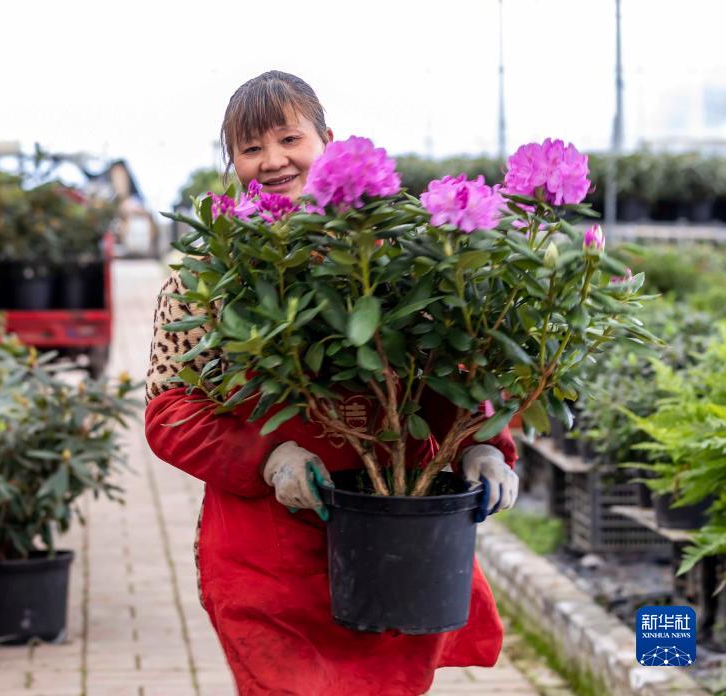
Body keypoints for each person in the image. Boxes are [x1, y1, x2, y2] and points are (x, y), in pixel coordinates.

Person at [145, 70, 520, 696]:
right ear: (233, 163)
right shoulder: (207, 276)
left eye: (289, 138)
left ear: (328, 140)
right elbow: (170, 411)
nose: (273, 161)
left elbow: (449, 376)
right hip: (267, 557)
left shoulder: (396, 257)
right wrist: (268, 458)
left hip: (398, 539)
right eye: (251, 148)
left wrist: (483, 447)